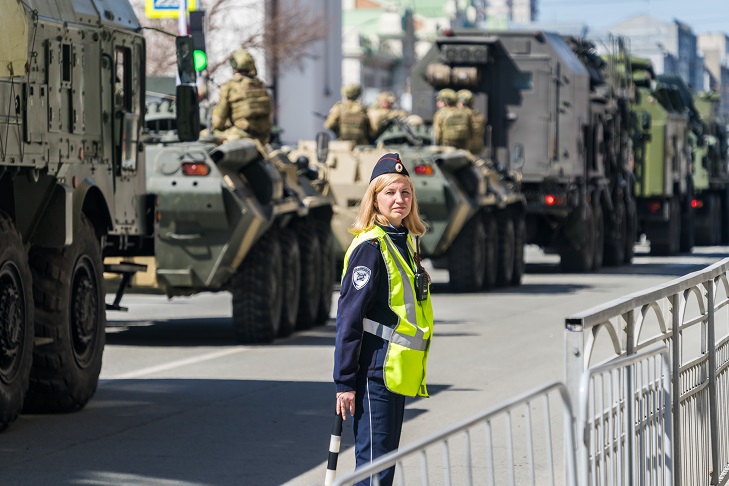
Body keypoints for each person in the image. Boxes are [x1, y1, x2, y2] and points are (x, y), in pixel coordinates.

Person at [334, 153, 434, 486]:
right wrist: (345, 382)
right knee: (374, 469)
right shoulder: (371, 247)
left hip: (394, 372)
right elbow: (349, 317)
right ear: (374, 199)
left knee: (383, 465)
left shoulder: (402, 242)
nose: (399, 199)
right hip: (374, 372)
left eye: (405, 192)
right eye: (390, 192)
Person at [211, 48, 272, 145]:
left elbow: (218, 123)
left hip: (241, 136)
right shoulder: (260, 85)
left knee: (205, 136)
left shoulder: (229, 86)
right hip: (263, 138)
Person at [457, 89, 486, 155]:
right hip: (477, 149)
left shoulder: (462, 115)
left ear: (461, 103)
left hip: (464, 150)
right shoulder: (478, 115)